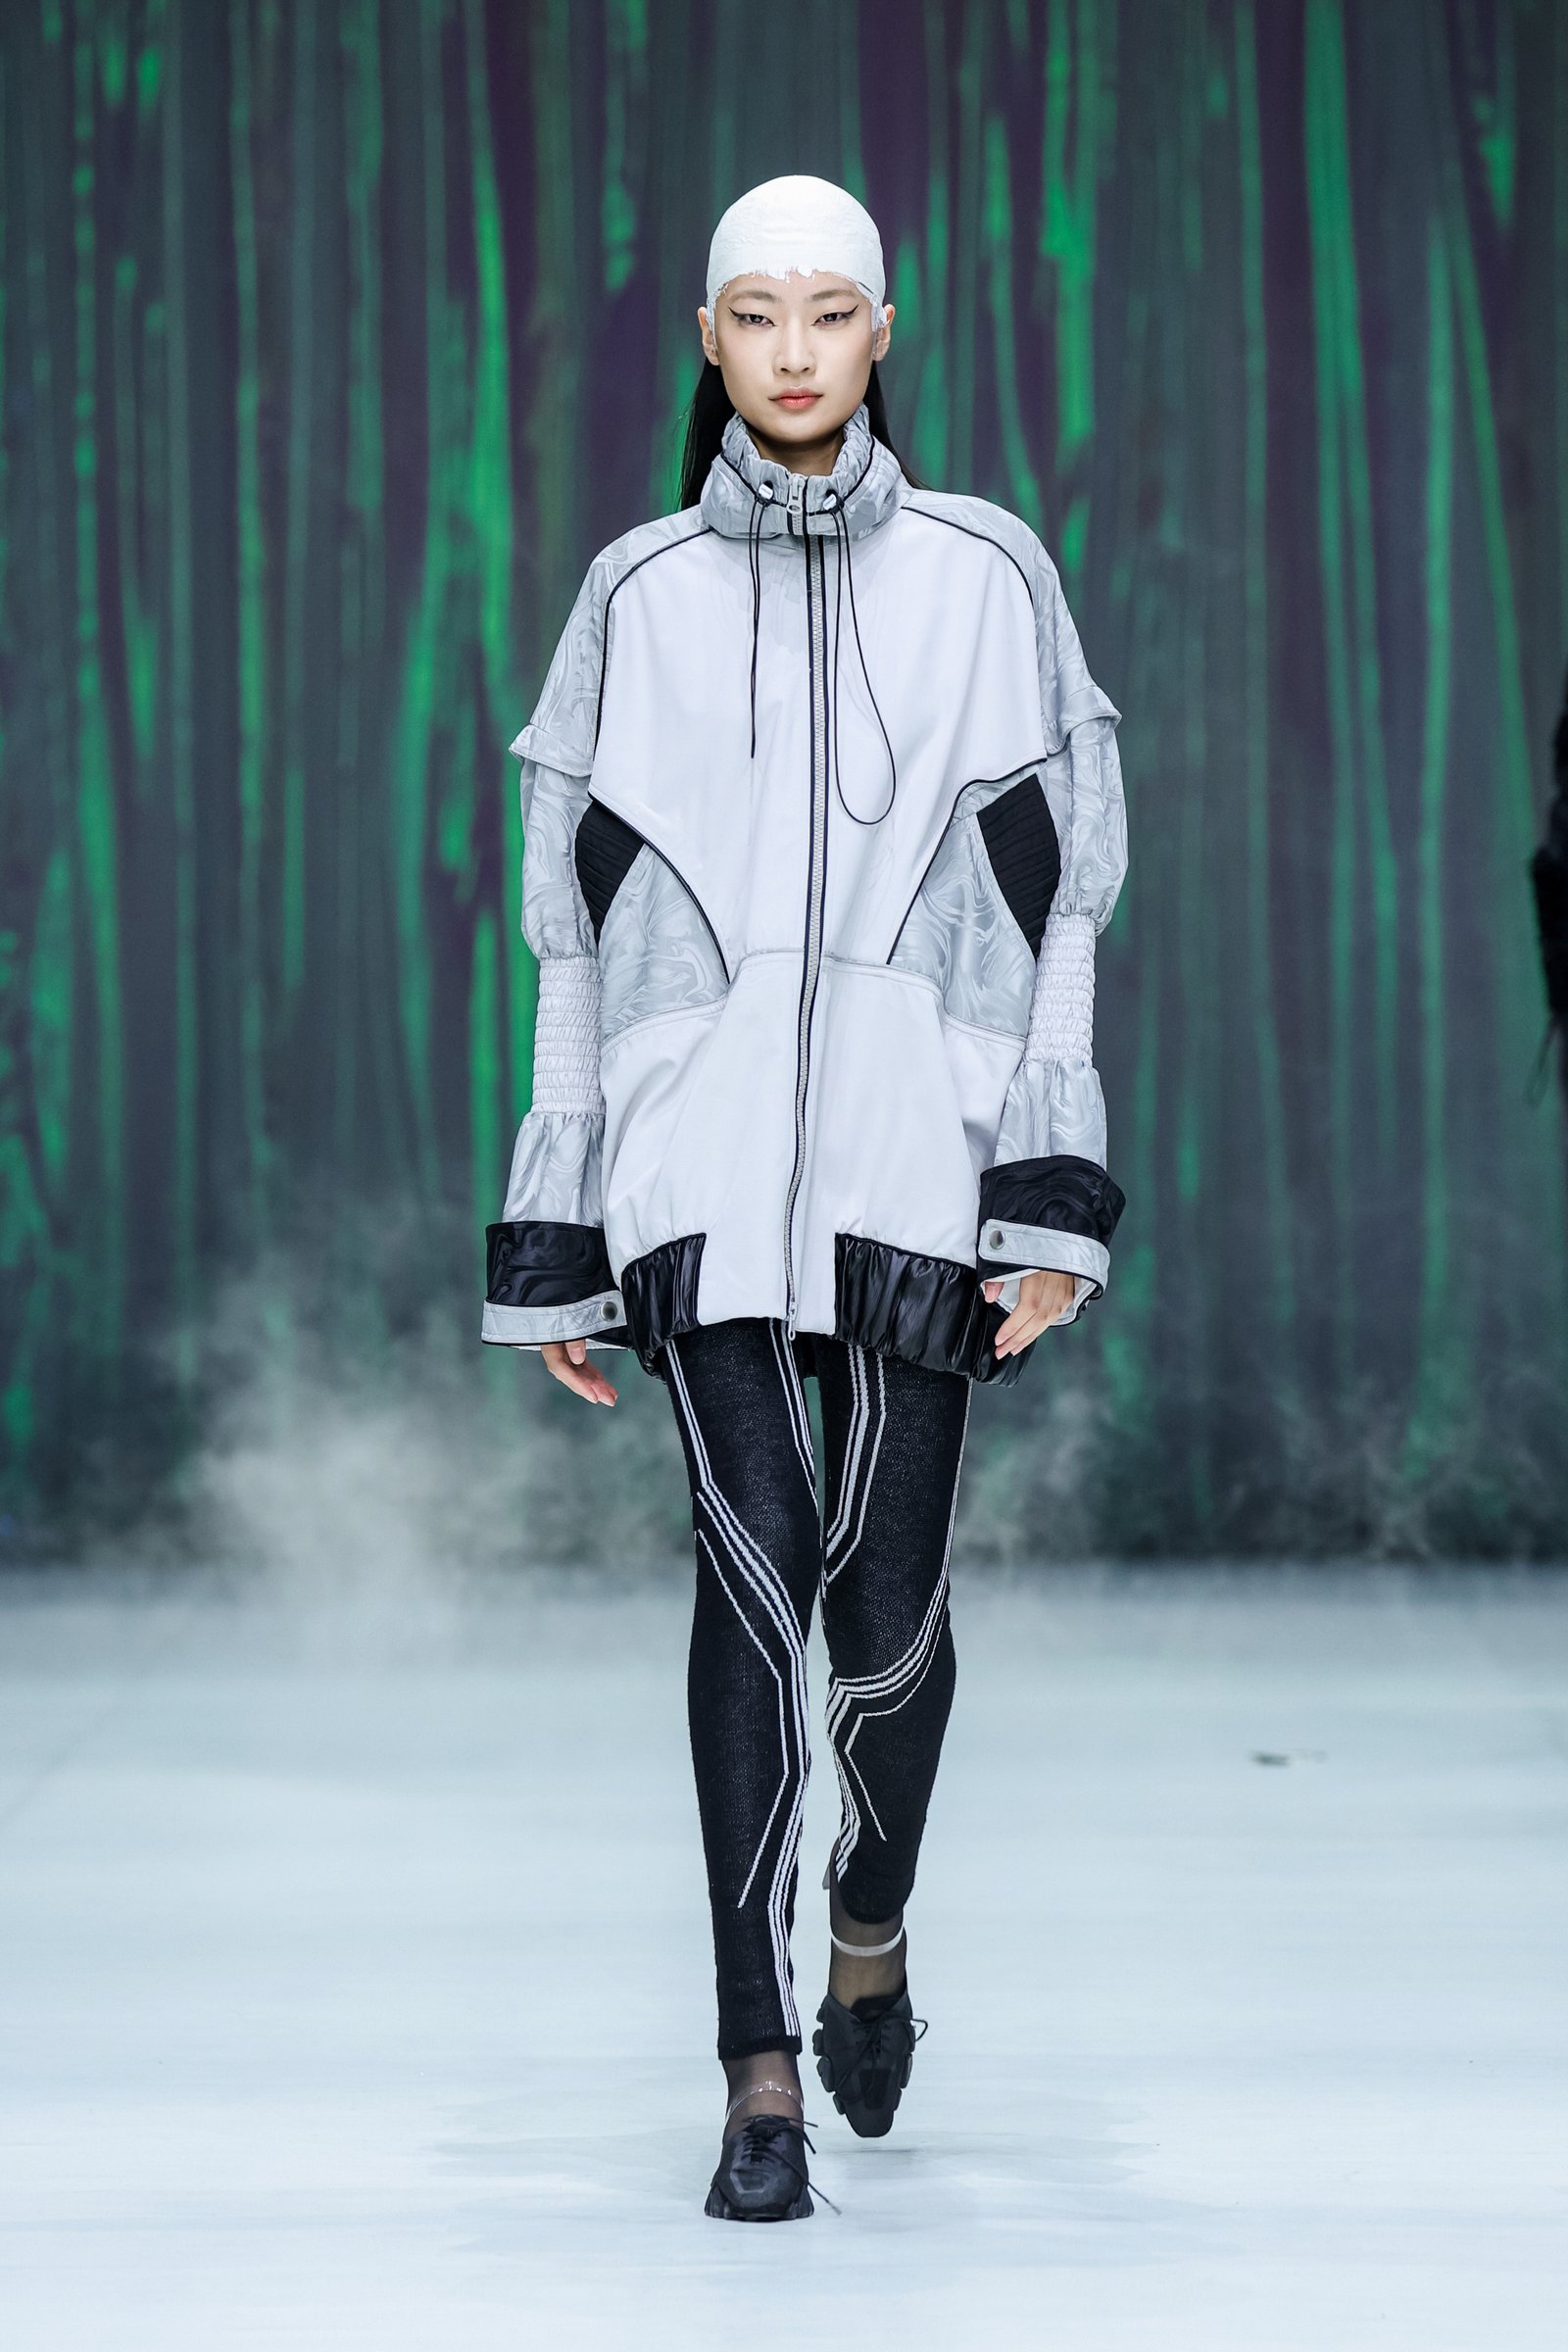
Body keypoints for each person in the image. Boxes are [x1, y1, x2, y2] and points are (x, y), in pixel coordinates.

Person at [482, 174, 1129, 2222]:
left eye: (826, 311)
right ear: (707, 339)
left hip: (919, 1158)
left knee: (884, 1610)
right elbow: (575, 934)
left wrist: (1046, 1197)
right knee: (753, 1567)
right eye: (753, 313)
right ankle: (753, 2066)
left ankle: (869, 1919)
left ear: (880, 334)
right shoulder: (636, 597)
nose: (788, 348)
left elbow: (1057, 900)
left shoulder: (986, 577)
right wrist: (560, 1219)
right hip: (692, 1171)